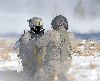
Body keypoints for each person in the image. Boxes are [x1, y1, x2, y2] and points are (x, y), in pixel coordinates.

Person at [33, 15, 72, 81]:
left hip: (52, 65)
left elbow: (38, 44)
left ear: (55, 24)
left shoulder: (51, 34)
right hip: (66, 65)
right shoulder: (71, 35)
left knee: (39, 74)